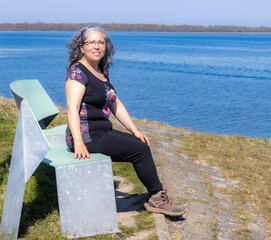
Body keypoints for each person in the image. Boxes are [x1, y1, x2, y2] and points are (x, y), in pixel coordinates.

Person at [65, 25, 185, 216]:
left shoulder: (100, 71)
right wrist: (78, 142)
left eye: (101, 42)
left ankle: (156, 191)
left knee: (140, 142)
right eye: (91, 42)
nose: (96, 47)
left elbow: (115, 103)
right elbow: (72, 109)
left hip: (100, 131)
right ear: (81, 47)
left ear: (106, 46)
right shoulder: (77, 73)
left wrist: (135, 131)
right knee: (140, 151)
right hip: (87, 136)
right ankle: (157, 197)